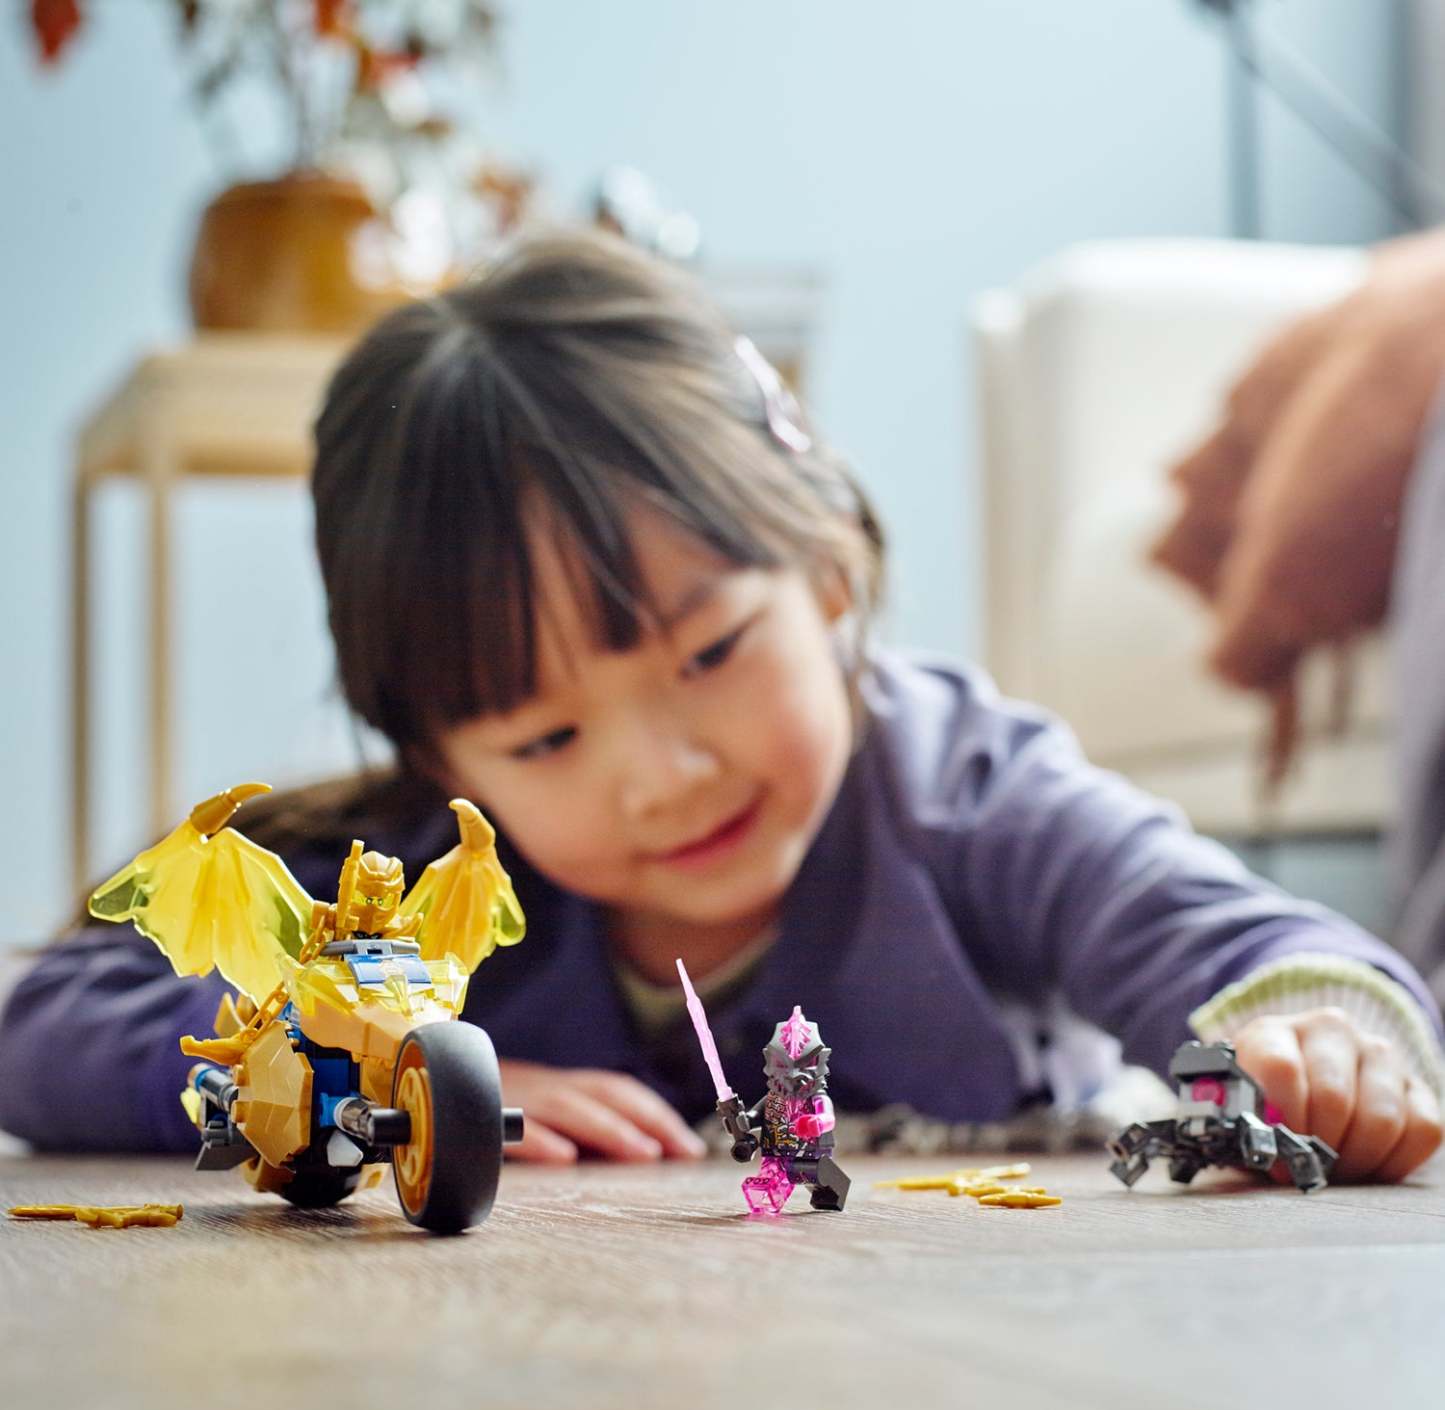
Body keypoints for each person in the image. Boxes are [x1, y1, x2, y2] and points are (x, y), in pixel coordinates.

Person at [3, 230, 1441, 1182]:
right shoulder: (423, 885)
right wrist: (370, 1067)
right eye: (547, 737)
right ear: (441, 758)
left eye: (708, 654)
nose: (664, 773)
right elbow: (48, 1023)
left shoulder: (966, 793)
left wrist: (1314, 1040)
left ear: (825, 567)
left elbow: (1256, 949)